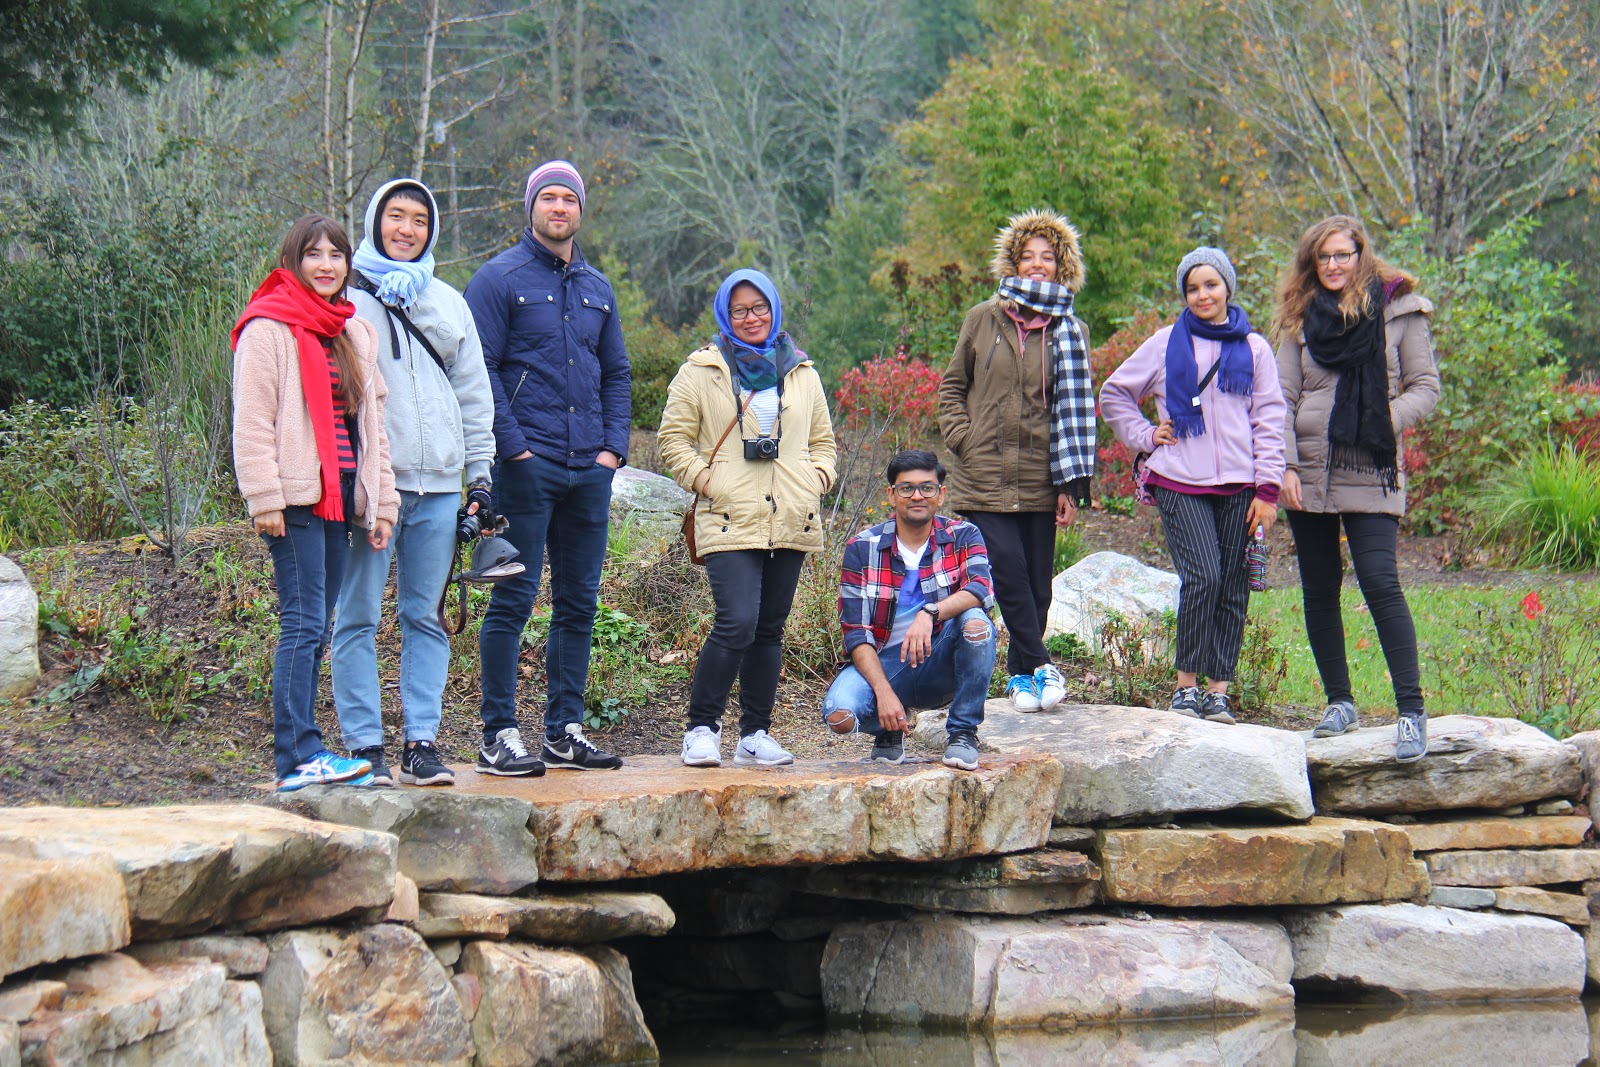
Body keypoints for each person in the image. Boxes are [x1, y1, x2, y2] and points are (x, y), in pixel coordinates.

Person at [465, 160, 630, 776]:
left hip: (588, 470)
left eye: (569, 199)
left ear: (580, 210)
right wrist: (515, 449)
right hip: (525, 466)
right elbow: (477, 369)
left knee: (578, 604)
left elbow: (616, 373)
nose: (559, 208)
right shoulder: (497, 279)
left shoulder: (597, 288)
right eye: (548, 198)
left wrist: (612, 451)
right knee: (511, 597)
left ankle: (564, 731)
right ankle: (497, 734)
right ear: (530, 206)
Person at [328, 179, 495, 788]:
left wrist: (479, 477)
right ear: (375, 223)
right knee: (358, 615)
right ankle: (364, 746)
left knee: (424, 616)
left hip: (441, 488)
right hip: (374, 486)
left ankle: (421, 742)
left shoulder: (448, 303)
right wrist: (344, 477)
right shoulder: (345, 301)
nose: (407, 228)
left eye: (419, 219)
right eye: (395, 216)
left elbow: (475, 395)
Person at [231, 214, 397, 792]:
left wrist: (383, 504)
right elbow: (251, 422)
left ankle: (305, 753)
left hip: (341, 502)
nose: (326, 265)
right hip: (296, 500)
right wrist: (263, 497)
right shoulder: (268, 327)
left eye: (336, 255)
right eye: (313, 255)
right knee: (303, 625)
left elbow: (374, 430)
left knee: (316, 626)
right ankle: (298, 757)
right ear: (293, 260)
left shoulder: (352, 334)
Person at [1273, 215, 1440, 763]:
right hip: (1312, 472)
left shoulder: (1400, 310)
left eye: (1342, 255)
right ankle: (1340, 702)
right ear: (1311, 263)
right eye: (1323, 257)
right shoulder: (1300, 319)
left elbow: (1426, 387)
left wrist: (1379, 419)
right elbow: (1280, 400)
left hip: (1370, 463)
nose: (1333, 265)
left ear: (1361, 255)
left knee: (1380, 582)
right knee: (1319, 588)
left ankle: (1411, 712)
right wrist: (1287, 468)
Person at [659, 269, 838, 768]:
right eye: (740, 310)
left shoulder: (802, 371)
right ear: (725, 314)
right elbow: (672, 440)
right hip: (728, 515)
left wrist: (815, 479)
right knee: (737, 621)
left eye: (759, 308)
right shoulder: (702, 370)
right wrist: (711, 482)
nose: (751, 317)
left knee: (769, 629)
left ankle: (755, 733)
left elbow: (823, 442)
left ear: (775, 310)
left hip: (790, 516)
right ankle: (701, 728)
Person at [1100, 247, 1285, 724]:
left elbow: (1268, 420)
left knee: (1233, 582)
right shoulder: (1165, 343)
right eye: (1192, 288)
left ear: (1227, 287)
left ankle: (1218, 690)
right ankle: (1186, 687)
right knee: (1203, 576)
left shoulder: (1255, 348)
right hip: (1181, 481)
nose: (1203, 295)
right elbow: (1115, 393)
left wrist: (1268, 491)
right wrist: (1145, 435)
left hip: (1243, 486)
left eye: (1211, 284)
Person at [938, 208, 1094, 715]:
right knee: (1005, 571)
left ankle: (1021, 677)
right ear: (1012, 262)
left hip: (1043, 476)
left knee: (1037, 585)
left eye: (1047, 257)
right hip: (983, 474)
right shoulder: (984, 318)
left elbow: (1075, 410)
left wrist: (1071, 486)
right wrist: (964, 439)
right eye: (1026, 256)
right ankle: (1043, 664)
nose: (1036, 265)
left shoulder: (1072, 330)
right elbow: (951, 388)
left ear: (1062, 266)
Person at [821, 450, 997, 771]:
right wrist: (884, 692)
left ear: (940, 495)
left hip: (941, 657)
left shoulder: (963, 536)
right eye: (906, 488)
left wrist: (930, 612)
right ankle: (888, 729)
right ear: (891, 495)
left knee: (976, 624)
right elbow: (855, 632)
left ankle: (962, 733)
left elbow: (981, 589)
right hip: (887, 664)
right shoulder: (862, 547)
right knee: (839, 716)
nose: (917, 496)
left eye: (927, 488)